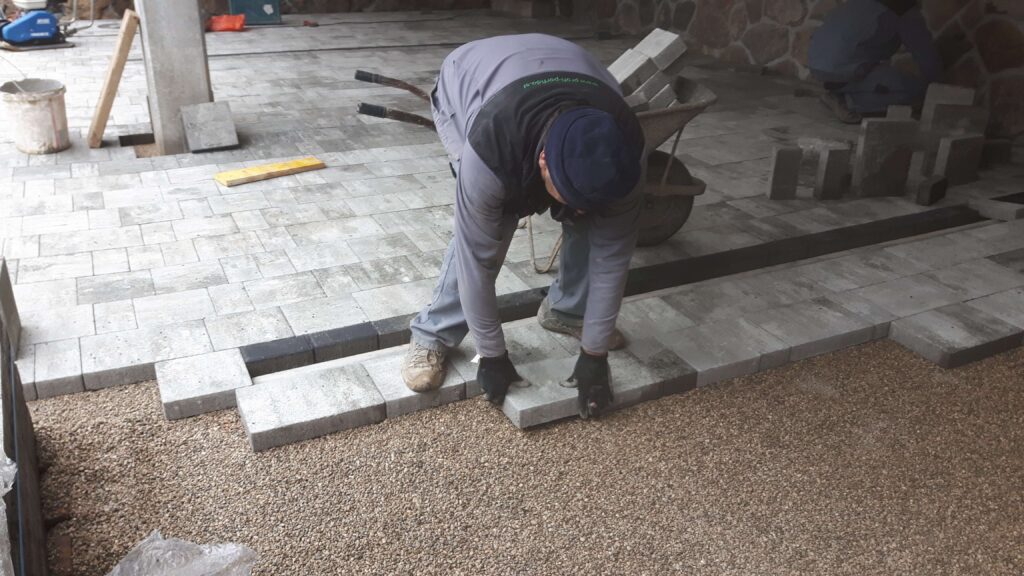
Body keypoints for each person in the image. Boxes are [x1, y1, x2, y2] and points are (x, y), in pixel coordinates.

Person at [401, 33, 645, 418]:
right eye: (568, 195)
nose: (579, 211)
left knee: (593, 218)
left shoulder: (626, 153)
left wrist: (594, 355)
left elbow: (612, 258)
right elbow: (475, 259)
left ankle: (568, 311)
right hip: (468, 78)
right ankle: (433, 334)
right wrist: (492, 355)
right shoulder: (490, 151)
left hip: (563, 62)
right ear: (544, 160)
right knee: (491, 229)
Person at [809, 0, 942, 124]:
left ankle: (838, 93)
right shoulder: (903, 9)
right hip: (845, 69)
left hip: (818, 65)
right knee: (916, 92)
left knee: (879, 75)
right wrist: (938, 92)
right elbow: (927, 57)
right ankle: (848, 102)